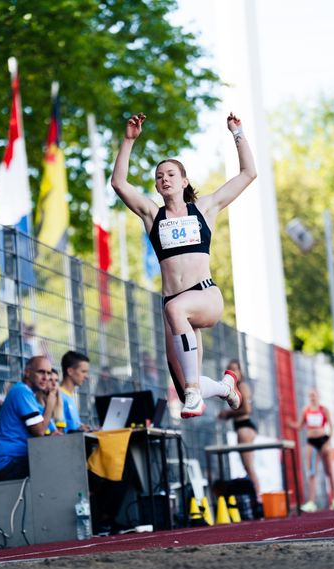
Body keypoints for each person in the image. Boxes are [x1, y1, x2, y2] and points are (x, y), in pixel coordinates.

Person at [111, 111, 257, 418]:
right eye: (159, 176)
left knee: (177, 318)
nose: (163, 179)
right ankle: (224, 387)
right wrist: (128, 140)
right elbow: (119, 183)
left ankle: (193, 393)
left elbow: (248, 174)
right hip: (173, 306)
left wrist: (237, 132)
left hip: (204, 296)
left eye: (170, 174)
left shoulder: (204, 209)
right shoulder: (153, 215)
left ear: (184, 181)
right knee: (181, 384)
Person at [0, 355, 56, 481]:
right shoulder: (21, 391)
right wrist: (50, 405)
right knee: (55, 464)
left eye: (48, 373)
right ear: (27, 372)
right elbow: (39, 431)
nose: (46, 378)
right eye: (41, 372)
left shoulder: (32, 399)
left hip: (21, 460)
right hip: (8, 463)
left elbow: (51, 432)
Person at [288, 388, 334, 512]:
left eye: (314, 395)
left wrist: (328, 440)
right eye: (310, 395)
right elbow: (299, 426)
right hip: (311, 442)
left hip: (323, 440)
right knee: (311, 472)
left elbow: (331, 426)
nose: (312, 397)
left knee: (329, 471)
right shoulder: (306, 410)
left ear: (318, 396)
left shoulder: (324, 410)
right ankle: (311, 502)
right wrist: (290, 424)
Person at [218, 359, 261, 499]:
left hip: (245, 427)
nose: (233, 372)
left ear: (241, 372)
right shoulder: (233, 388)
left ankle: (258, 497)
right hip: (241, 427)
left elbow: (246, 409)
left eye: (235, 369)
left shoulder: (242, 386)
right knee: (247, 466)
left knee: (249, 466)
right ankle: (256, 496)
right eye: (230, 369)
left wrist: (227, 414)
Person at [60, 350, 93, 432]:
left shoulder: (69, 396)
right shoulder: (58, 396)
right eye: (83, 371)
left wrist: (81, 428)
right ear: (70, 371)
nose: (86, 376)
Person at [36, 368, 66, 434]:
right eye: (50, 380)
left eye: (56, 380)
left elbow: (61, 433)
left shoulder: (59, 405)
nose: (54, 384)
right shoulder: (36, 405)